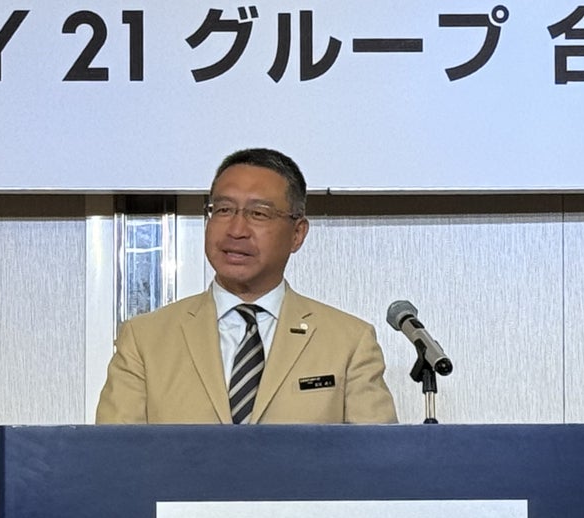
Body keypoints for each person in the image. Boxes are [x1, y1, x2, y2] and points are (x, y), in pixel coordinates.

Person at [95, 148, 398, 425]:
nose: (237, 230)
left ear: (297, 234)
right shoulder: (144, 340)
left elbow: (376, 460)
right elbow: (112, 458)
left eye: (258, 214)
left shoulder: (349, 342)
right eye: (223, 210)